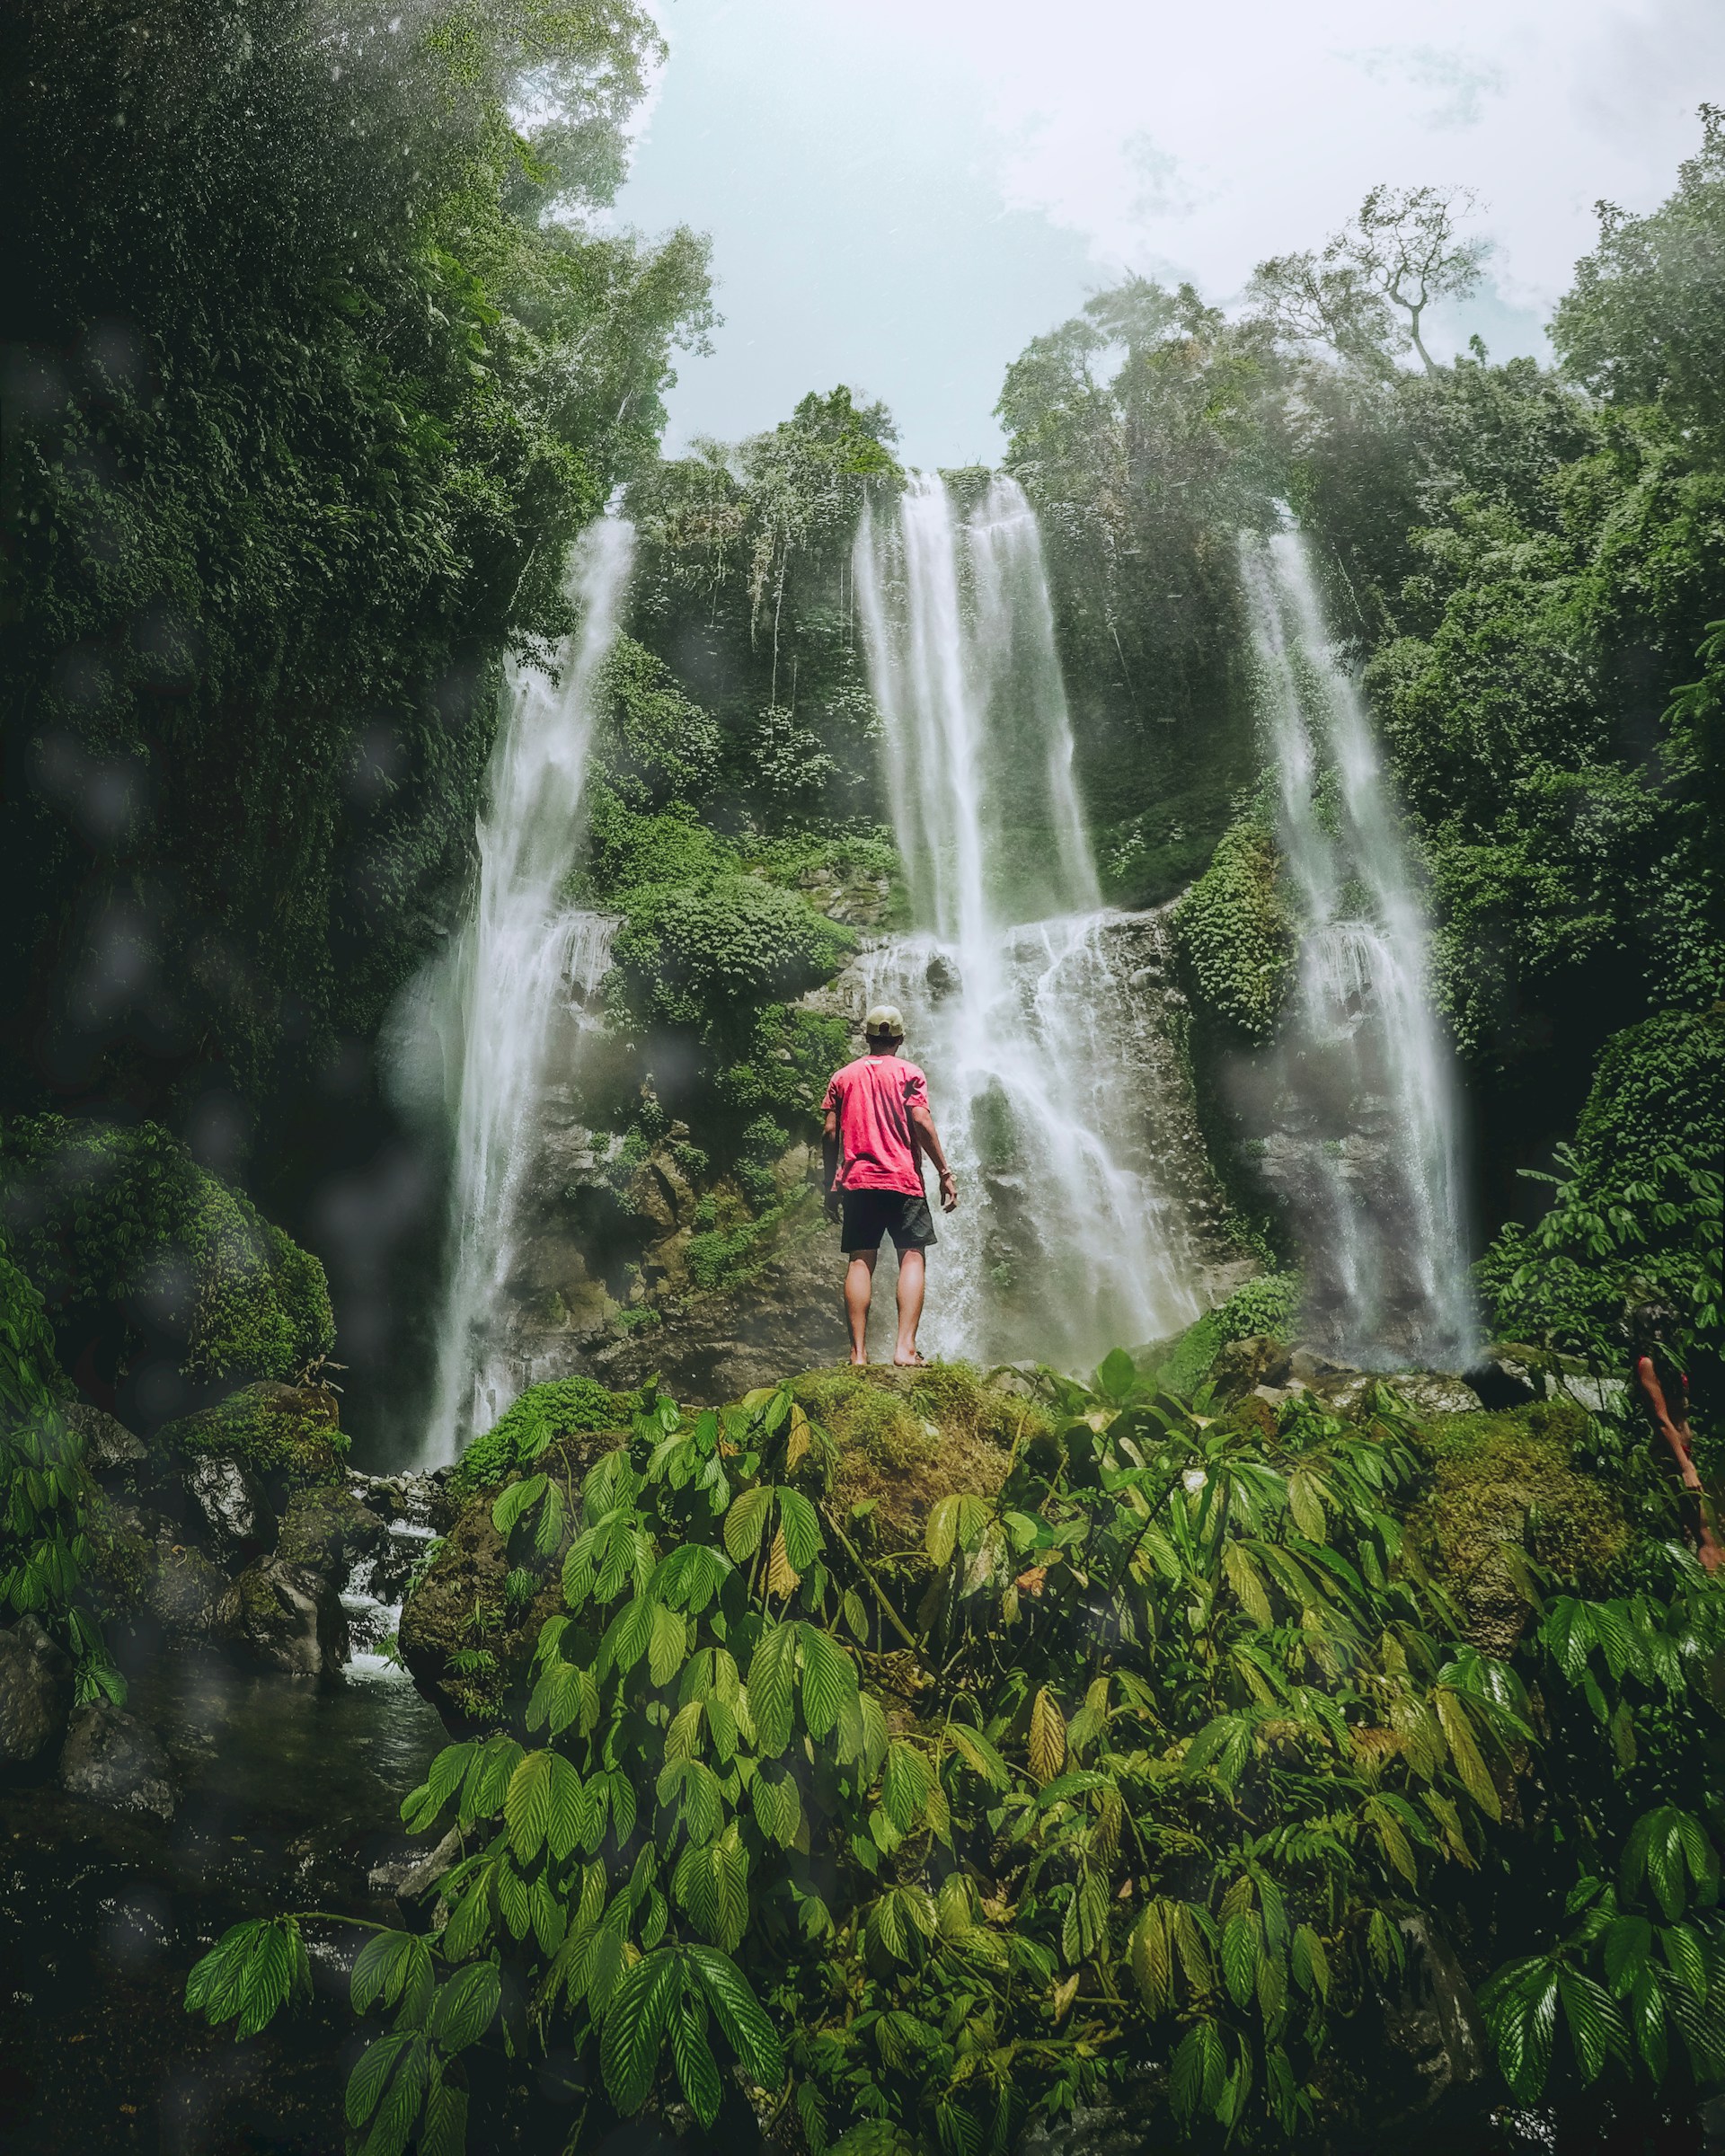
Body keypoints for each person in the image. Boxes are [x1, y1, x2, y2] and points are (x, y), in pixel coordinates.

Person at [822, 1004, 958, 1367]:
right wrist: (944, 1171)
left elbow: (830, 1131)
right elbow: (921, 1120)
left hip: (858, 1182)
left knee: (860, 1259)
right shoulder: (909, 1073)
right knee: (911, 1255)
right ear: (899, 1039)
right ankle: (905, 1349)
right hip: (902, 1180)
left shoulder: (843, 1077)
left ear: (866, 1037)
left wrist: (829, 1183)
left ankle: (858, 1355)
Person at [1630, 1302, 1722, 1574]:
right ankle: (1712, 1595)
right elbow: (1661, 1420)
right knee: (1704, 1529)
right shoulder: (1646, 1363)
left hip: (1684, 1450)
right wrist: (1686, 1467)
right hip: (1670, 1454)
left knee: (1696, 1528)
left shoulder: (1667, 1359)